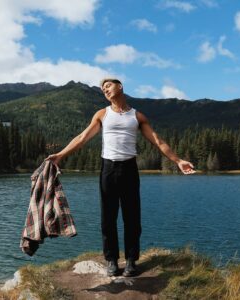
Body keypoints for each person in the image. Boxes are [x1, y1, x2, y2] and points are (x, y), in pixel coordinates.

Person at [45, 78, 195, 277]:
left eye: (108, 86)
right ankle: (112, 261)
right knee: (108, 218)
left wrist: (178, 161)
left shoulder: (137, 116)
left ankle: (132, 260)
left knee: (132, 217)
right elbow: (82, 138)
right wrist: (60, 155)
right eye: (102, 88)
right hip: (108, 169)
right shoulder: (102, 114)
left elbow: (158, 141)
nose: (105, 89)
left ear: (120, 87)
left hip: (129, 170)